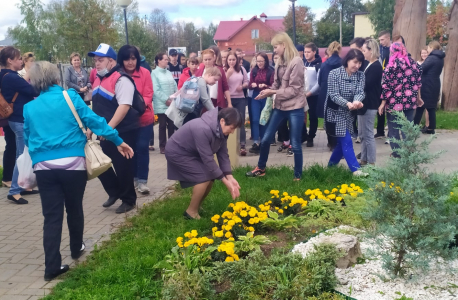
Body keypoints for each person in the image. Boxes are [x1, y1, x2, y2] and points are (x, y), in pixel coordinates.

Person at [24, 61, 133, 281]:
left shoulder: (29, 107)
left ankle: (51, 267)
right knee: (74, 208)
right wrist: (118, 141)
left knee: (51, 216)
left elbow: (28, 137)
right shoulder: (70, 97)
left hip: (44, 167)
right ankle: (76, 248)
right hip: (73, 164)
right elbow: (96, 121)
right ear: (56, 77)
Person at [87, 43, 140, 214]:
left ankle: (129, 200)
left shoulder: (121, 79)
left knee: (123, 165)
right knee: (101, 164)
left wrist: (108, 129)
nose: (97, 63)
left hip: (123, 130)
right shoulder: (98, 79)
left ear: (111, 61)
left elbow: (124, 107)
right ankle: (114, 191)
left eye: (100, 60)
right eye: (96, 60)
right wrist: (91, 126)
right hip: (105, 131)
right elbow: (97, 106)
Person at [246, 32, 306, 180]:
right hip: (280, 106)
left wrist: (272, 91)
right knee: (266, 139)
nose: (274, 50)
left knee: (296, 144)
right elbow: (276, 84)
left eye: (275, 46)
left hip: (295, 107)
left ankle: (297, 176)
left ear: (284, 45)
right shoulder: (279, 61)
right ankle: (261, 168)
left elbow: (294, 90)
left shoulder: (296, 62)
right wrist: (267, 92)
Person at [166, 107, 242, 219]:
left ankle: (196, 207)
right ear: (222, 121)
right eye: (231, 128)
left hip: (192, 153)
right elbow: (208, 159)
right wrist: (225, 182)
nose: (232, 131)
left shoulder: (220, 131)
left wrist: (229, 176)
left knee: (210, 176)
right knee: (203, 177)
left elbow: (223, 154)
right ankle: (191, 212)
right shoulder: (202, 128)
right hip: (178, 152)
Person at [0, 46, 39, 204]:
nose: (21, 61)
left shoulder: (5, 75)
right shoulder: (11, 77)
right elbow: (32, 90)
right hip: (19, 119)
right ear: (9, 61)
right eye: (18, 59)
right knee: (21, 156)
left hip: (15, 119)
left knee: (22, 154)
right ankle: (15, 190)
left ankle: (23, 186)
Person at [117, 45, 154, 194]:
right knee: (130, 150)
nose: (130, 62)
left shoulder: (145, 73)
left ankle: (143, 181)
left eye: (133, 59)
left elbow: (148, 94)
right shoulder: (118, 75)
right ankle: (133, 178)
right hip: (126, 121)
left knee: (142, 148)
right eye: (127, 59)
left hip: (144, 117)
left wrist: (136, 108)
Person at [325, 49, 366, 176]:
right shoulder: (334, 73)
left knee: (341, 143)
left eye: (360, 63)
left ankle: (330, 168)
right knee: (346, 140)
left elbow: (360, 92)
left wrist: (357, 102)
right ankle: (356, 170)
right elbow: (333, 94)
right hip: (335, 112)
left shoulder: (360, 75)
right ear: (347, 60)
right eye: (355, 62)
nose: (357, 66)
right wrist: (347, 103)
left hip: (349, 113)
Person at [379, 42, 423, 158]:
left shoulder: (391, 65)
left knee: (393, 128)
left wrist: (383, 103)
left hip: (394, 102)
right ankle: (408, 152)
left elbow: (386, 85)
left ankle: (397, 153)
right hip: (410, 101)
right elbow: (418, 83)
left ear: (392, 51)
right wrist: (419, 98)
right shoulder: (414, 64)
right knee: (407, 127)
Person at [357, 39, 383, 166]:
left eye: (364, 50)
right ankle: (364, 158)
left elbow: (365, 84)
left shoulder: (376, 66)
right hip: (363, 105)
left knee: (368, 134)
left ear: (371, 51)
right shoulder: (369, 64)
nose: (363, 53)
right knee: (362, 134)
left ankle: (371, 162)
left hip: (370, 104)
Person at [413, 41, 445, 135]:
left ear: (432, 48)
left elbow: (421, 68)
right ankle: (431, 128)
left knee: (420, 106)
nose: (427, 50)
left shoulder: (431, 58)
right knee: (431, 108)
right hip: (434, 83)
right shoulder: (440, 58)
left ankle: (414, 127)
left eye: (428, 48)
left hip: (427, 84)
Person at [317, 41, 342, 151]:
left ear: (329, 51)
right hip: (340, 93)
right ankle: (338, 142)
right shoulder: (343, 63)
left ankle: (331, 143)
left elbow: (319, 80)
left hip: (325, 92)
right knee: (339, 117)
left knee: (328, 119)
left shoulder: (324, 64)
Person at [248, 52, 275, 154]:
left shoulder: (271, 71)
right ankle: (256, 142)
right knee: (255, 119)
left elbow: (273, 85)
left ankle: (264, 141)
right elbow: (250, 84)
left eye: (261, 61)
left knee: (263, 119)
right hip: (256, 95)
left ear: (265, 61)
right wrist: (253, 85)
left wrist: (265, 85)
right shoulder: (254, 70)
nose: (259, 63)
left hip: (266, 96)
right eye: (257, 61)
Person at [152, 52, 178, 154]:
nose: (167, 61)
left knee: (171, 125)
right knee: (162, 125)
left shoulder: (168, 72)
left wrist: (175, 96)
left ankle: (172, 145)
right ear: (159, 61)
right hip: (161, 104)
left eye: (167, 59)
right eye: (165, 59)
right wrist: (165, 100)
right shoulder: (154, 73)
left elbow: (174, 85)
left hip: (171, 103)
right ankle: (162, 146)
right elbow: (156, 89)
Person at [225, 52, 249, 155]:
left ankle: (242, 145)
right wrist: (227, 75)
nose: (231, 62)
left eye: (233, 60)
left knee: (241, 121)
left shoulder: (242, 69)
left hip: (240, 98)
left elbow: (247, 81)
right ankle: (228, 144)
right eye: (229, 60)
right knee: (228, 121)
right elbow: (222, 84)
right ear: (227, 60)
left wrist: (242, 86)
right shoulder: (224, 69)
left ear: (237, 60)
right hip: (228, 99)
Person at [304, 42, 322, 147]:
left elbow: (319, 83)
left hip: (313, 95)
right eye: (305, 52)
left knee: (313, 117)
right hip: (302, 94)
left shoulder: (319, 65)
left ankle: (311, 137)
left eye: (308, 52)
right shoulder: (303, 63)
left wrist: (310, 93)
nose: (306, 54)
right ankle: (303, 135)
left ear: (314, 52)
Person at [376, 30, 392, 140]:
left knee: (390, 107)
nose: (381, 42)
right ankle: (380, 131)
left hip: (391, 81)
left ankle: (391, 133)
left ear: (388, 38)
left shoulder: (392, 50)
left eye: (382, 39)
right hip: (381, 80)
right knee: (380, 106)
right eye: (379, 40)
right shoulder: (380, 50)